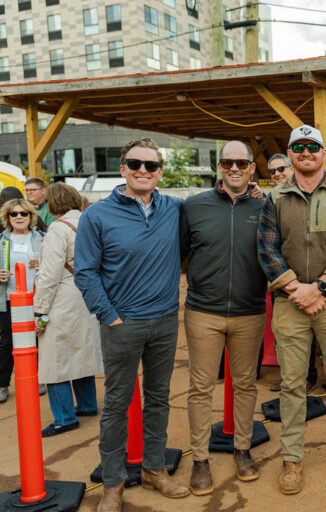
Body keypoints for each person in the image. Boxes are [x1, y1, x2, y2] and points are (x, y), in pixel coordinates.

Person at [75, 137, 190, 511]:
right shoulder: (97, 215)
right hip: (121, 324)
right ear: (122, 168)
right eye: (135, 163)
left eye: (152, 166)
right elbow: (86, 272)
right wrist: (109, 315)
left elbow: (214, 203)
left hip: (165, 321)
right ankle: (113, 482)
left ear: (160, 173)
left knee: (158, 399)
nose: (144, 170)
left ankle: (155, 469)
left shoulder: (174, 208)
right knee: (117, 405)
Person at [258, 124, 326, 495]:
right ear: (289, 154)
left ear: (323, 153)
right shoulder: (275, 198)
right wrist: (296, 288)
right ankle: (291, 457)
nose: (306, 153)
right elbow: (267, 250)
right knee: (290, 384)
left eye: (312, 147)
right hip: (289, 302)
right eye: (298, 147)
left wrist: (318, 287)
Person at [180, 141, 268, 495]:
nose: (234, 168)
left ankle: (242, 449)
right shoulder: (194, 205)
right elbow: (181, 252)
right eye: (228, 162)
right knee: (201, 387)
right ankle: (200, 458)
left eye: (241, 163)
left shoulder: (265, 207)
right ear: (219, 166)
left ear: (251, 168)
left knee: (246, 384)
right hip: (203, 311)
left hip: (250, 311)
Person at [34, 183, 103, 436]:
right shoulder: (90, 222)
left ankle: (64, 417)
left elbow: (49, 275)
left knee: (54, 361)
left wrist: (39, 310)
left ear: (52, 204)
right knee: (81, 353)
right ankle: (87, 404)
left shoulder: (57, 229)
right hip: (88, 295)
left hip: (62, 298)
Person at [267, 153, 319, 395]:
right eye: (272, 172)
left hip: (314, 284)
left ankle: (308, 378)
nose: (277, 174)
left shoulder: (313, 195)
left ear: (292, 167)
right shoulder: (269, 199)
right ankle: (290, 380)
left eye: (281, 169)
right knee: (284, 337)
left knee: (310, 336)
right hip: (282, 284)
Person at [0, 199, 44, 405]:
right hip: (8, 300)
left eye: (23, 213)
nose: (19, 217)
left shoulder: (42, 239)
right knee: (7, 343)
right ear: (7, 218)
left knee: (37, 340)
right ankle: (2, 385)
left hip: (36, 299)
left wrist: (42, 264)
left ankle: (39, 379)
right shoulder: (1, 241)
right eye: (13, 214)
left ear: (31, 216)